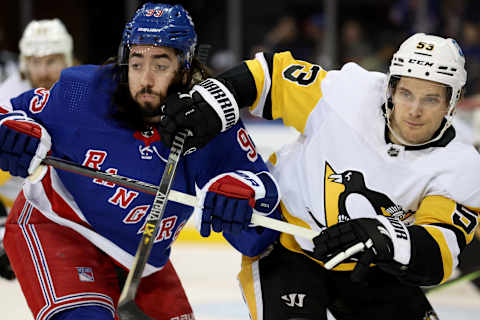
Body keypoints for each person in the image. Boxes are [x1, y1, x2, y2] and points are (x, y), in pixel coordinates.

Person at [158, 33, 480, 319]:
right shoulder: (347, 95)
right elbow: (272, 76)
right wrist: (218, 97)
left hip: (370, 266)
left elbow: (439, 252)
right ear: (391, 87)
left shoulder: (460, 166)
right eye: (406, 93)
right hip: (289, 246)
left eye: (431, 99)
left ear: (452, 102)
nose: (414, 110)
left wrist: (387, 236)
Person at [0, 3, 280, 320]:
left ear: (185, 68)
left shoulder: (213, 119)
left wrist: (243, 192)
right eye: (136, 64)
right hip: (58, 227)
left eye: (160, 66)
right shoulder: (83, 92)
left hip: (141, 261)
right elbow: (10, 114)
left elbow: (261, 193)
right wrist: (12, 132)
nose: (145, 79)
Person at [0, 18, 75, 282]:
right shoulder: (6, 103)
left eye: (51, 61)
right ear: (23, 63)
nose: (43, 71)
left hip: (74, 218)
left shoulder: (83, 94)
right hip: (21, 216)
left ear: (67, 60)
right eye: (35, 61)